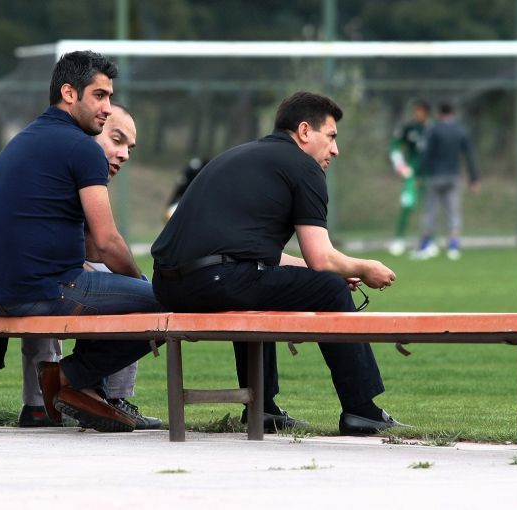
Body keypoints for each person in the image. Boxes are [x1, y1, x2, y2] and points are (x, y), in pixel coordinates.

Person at [151, 91, 407, 435]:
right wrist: (363, 268)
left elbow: (254, 255)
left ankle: (263, 408)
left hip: (168, 286)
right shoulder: (304, 167)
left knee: (260, 283)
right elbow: (321, 258)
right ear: (305, 131)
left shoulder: (239, 156)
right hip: (219, 278)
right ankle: (362, 410)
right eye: (331, 136)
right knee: (331, 289)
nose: (335, 150)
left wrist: (325, 269)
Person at [0, 105, 160, 430]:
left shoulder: (42, 153)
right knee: (86, 285)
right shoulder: (74, 159)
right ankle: (104, 395)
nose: (124, 154)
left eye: (130, 148)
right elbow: (103, 246)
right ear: (89, 132)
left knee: (54, 280)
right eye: (116, 139)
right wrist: (138, 282)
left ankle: (39, 406)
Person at [413, 102, 479, 261]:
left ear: (439, 113)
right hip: (453, 176)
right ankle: (453, 246)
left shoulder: (433, 129)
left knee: (430, 211)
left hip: (435, 176)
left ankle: (425, 246)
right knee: (453, 211)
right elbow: (469, 155)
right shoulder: (460, 130)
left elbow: (426, 153)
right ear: (452, 113)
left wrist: (419, 174)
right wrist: (473, 178)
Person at [387, 100, 430, 256]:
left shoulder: (432, 129)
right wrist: (401, 166)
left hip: (429, 174)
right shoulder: (408, 128)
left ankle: (428, 241)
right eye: (416, 110)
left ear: (426, 113)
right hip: (411, 174)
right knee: (407, 204)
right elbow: (394, 147)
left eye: (420, 110)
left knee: (429, 208)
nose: (417, 113)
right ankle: (399, 239)